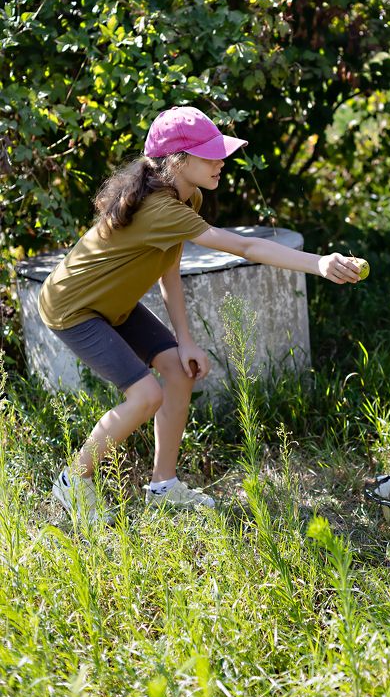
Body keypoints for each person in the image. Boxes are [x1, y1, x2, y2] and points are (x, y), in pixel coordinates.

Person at [39, 105, 362, 523]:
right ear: (178, 160)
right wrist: (317, 263)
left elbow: (167, 266)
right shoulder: (161, 207)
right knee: (146, 395)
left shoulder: (183, 194)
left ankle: (163, 485)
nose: (221, 162)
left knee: (178, 370)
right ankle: (73, 480)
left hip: (109, 303)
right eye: (211, 155)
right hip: (73, 306)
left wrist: (184, 339)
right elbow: (245, 247)